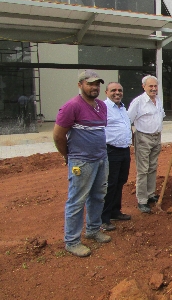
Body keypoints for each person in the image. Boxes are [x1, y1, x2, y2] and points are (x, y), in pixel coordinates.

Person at [53, 70, 111, 257]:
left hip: (101, 158)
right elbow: (58, 135)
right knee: (77, 200)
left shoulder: (101, 106)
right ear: (80, 85)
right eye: (90, 83)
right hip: (82, 161)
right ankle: (72, 240)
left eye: (97, 84)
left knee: (98, 196)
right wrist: (69, 156)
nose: (94, 87)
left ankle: (93, 230)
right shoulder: (71, 106)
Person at [128, 75, 165, 214]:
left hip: (156, 138)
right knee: (143, 170)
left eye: (155, 86)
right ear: (144, 87)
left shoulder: (158, 101)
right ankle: (142, 200)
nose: (154, 89)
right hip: (143, 138)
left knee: (153, 167)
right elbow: (128, 120)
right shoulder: (138, 102)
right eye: (151, 86)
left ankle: (150, 194)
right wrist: (131, 138)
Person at [101, 82, 132, 231]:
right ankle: (104, 218)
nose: (117, 93)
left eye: (120, 90)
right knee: (110, 183)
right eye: (113, 90)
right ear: (106, 92)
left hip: (124, 150)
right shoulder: (103, 108)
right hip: (111, 150)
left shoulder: (122, 108)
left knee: (121, 181)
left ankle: (115, 211)